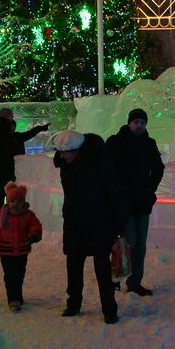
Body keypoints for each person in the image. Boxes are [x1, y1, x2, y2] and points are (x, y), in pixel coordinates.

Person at [50, 129, 128, 323]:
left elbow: (115, 193)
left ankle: (109, 309)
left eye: (64, 152)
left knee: (102, 266)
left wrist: (119, 224)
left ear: (77, 150)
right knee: (74, 264)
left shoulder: (99, 164)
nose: (61, 156)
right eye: (59, 152)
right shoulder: (66, 165)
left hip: (99, 222)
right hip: (75, 222)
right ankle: (73, 304)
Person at [105, 108, 165, 296]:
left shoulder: (149, 143)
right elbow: (107, 169)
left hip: (142, 201)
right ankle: (114, 276)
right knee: (125, 240)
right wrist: (116, 191)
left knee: (139, 244)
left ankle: (134, 281)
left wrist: (149, 188)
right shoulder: (115, 142)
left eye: (142, 123)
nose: (139, 125)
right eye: (136, 122)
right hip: (122, 201)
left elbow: (158, 168)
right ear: (129, 123)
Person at [0, 182, 43, 311]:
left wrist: (34, 236)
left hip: (22, 250)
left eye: (18, 201)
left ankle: (18, 296)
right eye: (12, 201)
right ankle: (13, 300)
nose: (15, 204)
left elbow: (35, 226)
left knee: (19, 274)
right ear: (8, 202)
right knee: (9, 275)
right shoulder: (1, 214)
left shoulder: (28, 215)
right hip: (6, 251)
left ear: (23, 201)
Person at [0, 108, 48, 214]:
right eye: (11, 116)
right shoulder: (8, 135)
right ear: (8, 117)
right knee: (9, 193)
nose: (12, 118)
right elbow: (24, 136)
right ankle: (8, 215)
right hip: (9, 169)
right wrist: (39, 129)